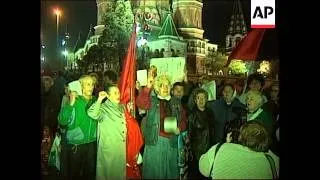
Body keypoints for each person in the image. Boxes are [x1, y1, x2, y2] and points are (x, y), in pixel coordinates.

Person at [87, 83, 143, 180]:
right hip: (110, 149)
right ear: (108, 96)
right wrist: (99, 100)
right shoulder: (103, 108)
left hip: (121, 148)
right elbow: (92, 113)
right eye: (114, 93)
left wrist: (128, 111)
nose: (118, 95)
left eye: (118, 92)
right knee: (108, 174)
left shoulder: (121, 106)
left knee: (119, 174)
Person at [136, 74, 187, 179]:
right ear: (157, 88)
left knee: (170, 173)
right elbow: (140, 103)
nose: (165, 88)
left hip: (171, 142)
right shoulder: (151, 100)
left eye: (167, 85)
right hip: (155, 142)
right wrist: (147, 88)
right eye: (162, 85)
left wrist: (180, 128)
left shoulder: (176, 102)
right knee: (154, 172)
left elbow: (184, 120)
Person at [199, 121, 279, 179]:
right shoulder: (272, 160)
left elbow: (203, 168)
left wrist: (226, 145)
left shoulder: (220, 148)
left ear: (241, 137)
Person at [58, 75, 97, 180]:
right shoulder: (75, 101)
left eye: (92, 84)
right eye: (88, 84)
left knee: (90, 174)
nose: (91, 87)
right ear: (81, 86)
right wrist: (71, 103)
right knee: (74, 174)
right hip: (76, 145)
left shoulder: (95, 101)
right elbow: (62, 120)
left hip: (92, 144)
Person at [188, 88, 214, 179]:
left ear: (207, 99)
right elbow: (189, 133)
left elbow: (213, 131)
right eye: (198, 98)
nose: (201, 100)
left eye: (203, 97)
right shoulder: (192, 115)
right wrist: (191, 151)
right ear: (195, 100)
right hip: (197, 151)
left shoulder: (210, 113)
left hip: (209, 148)